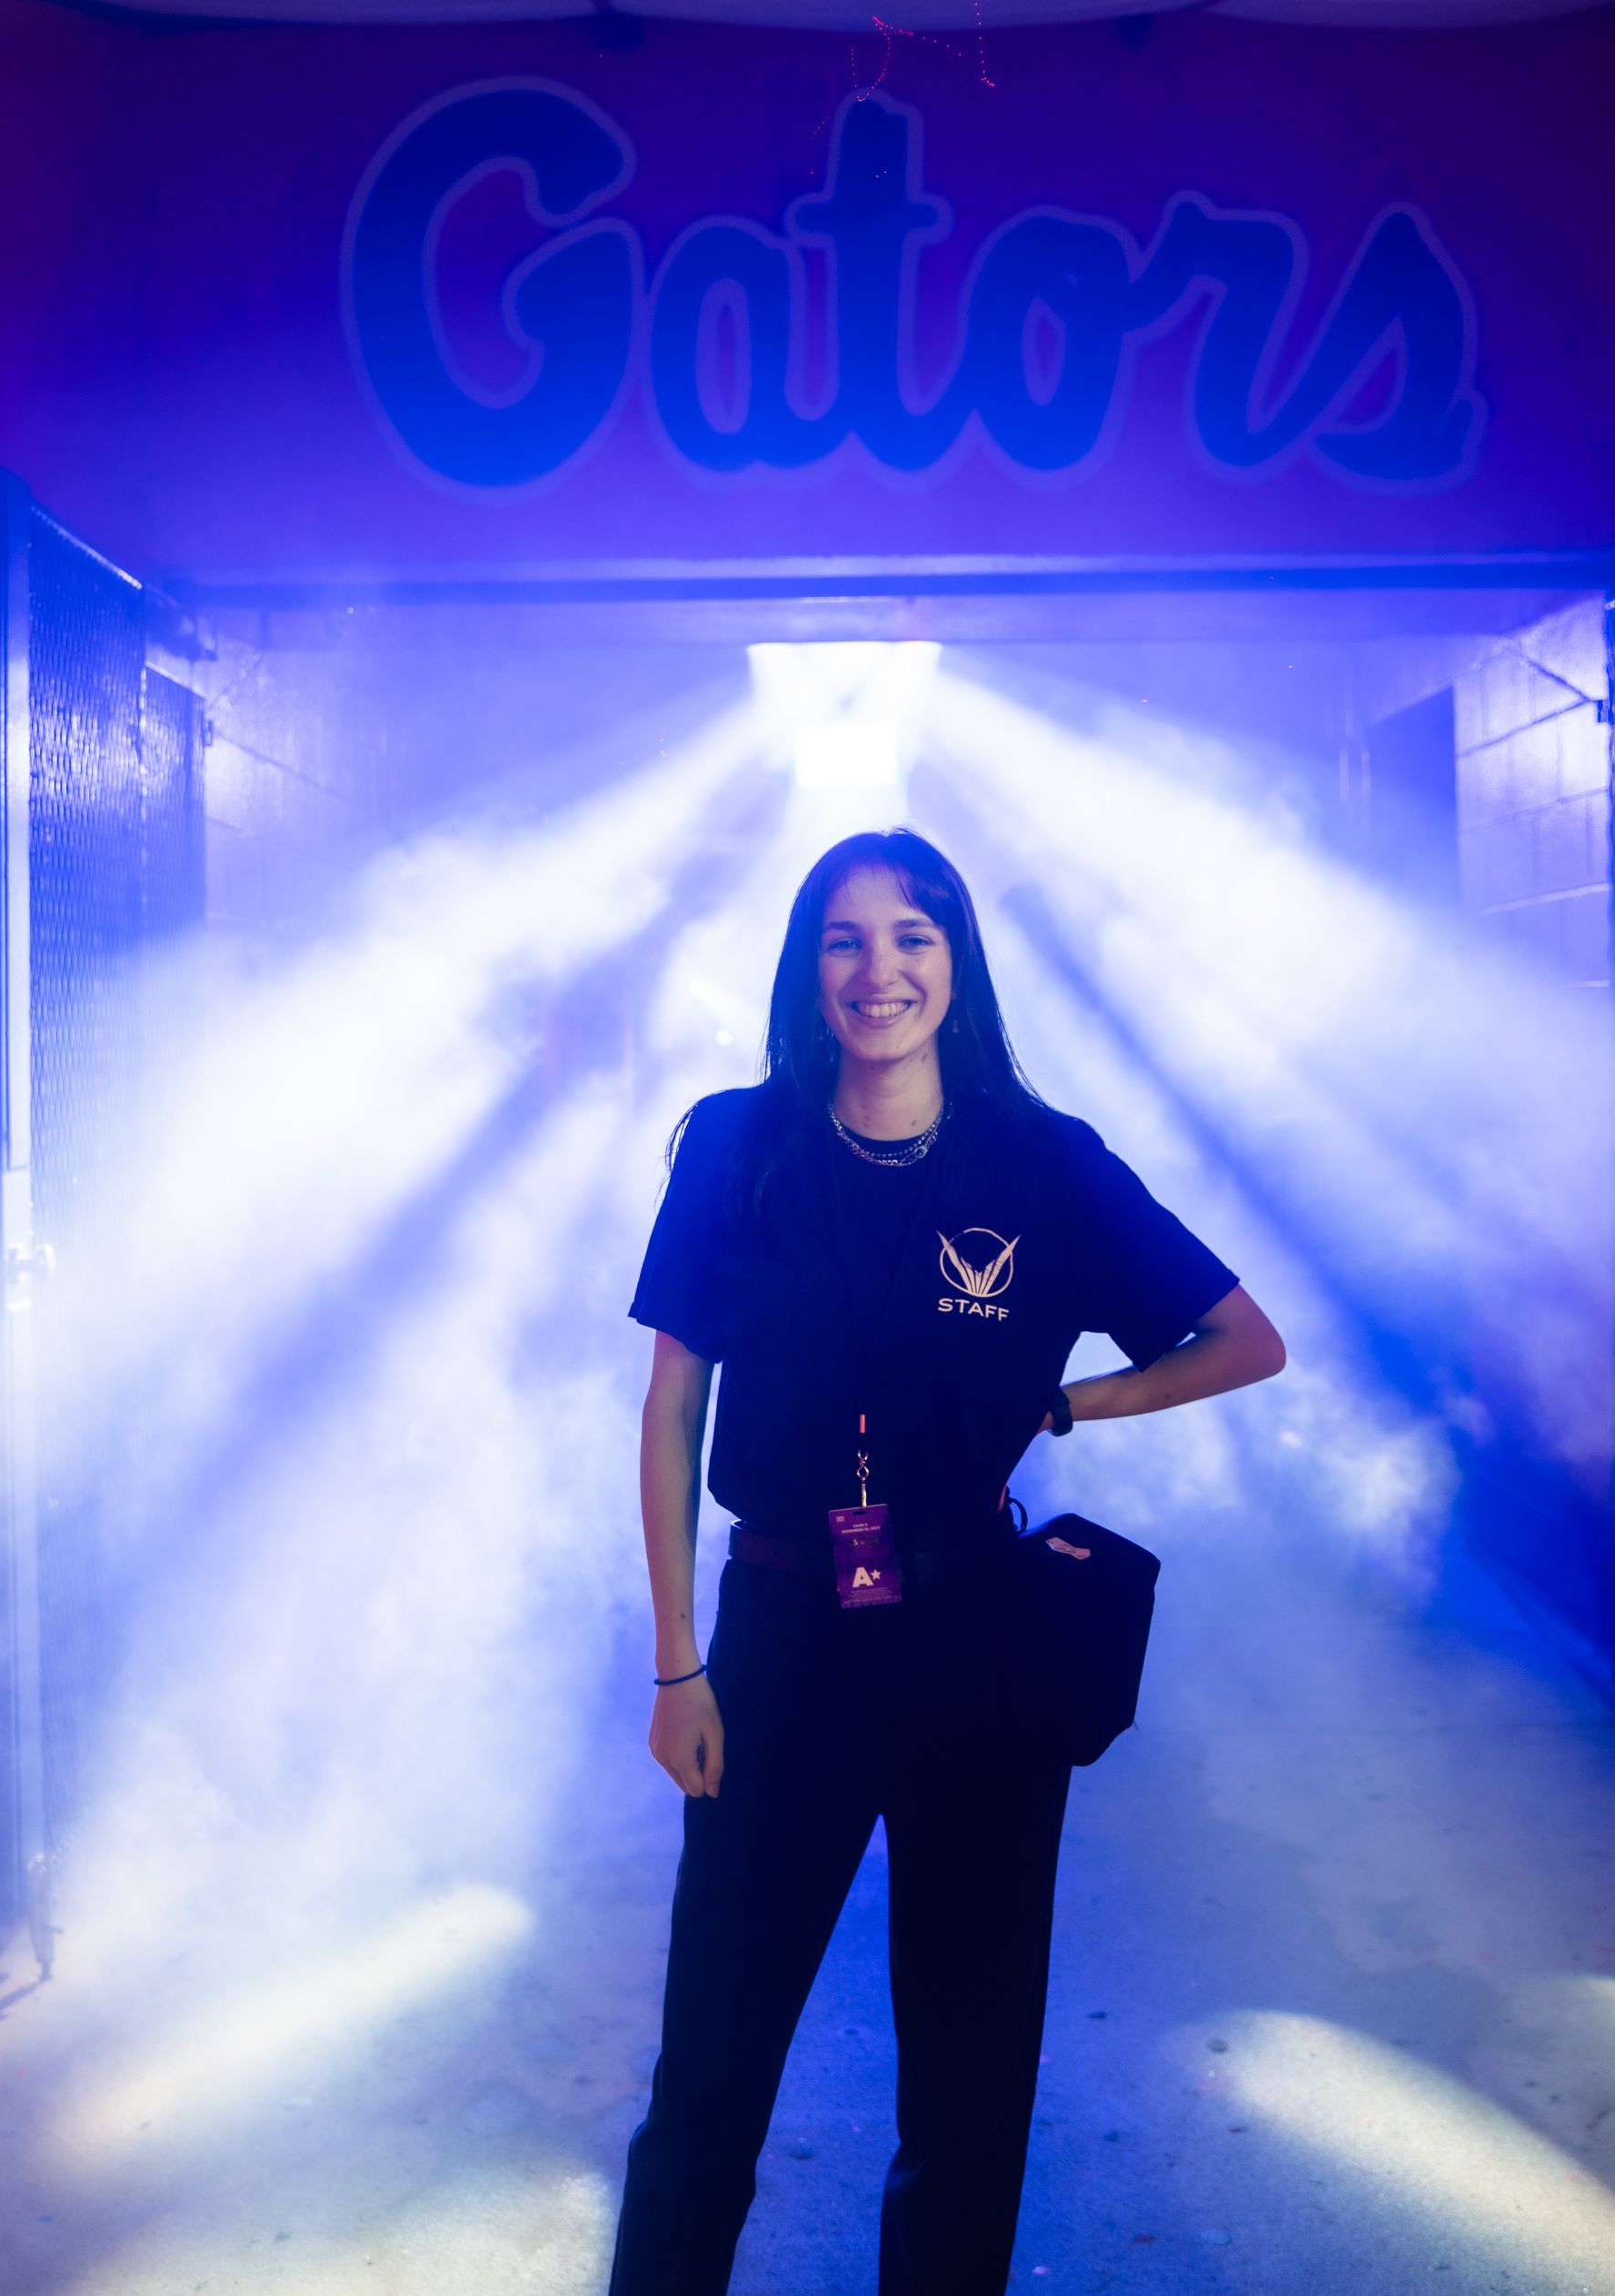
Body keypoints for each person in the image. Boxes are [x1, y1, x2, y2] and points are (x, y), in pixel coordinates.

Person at [608, 829, 1284, 2296]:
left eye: (912, 937)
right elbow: (675, 1407)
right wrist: (679, 1667)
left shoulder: (1042, 1164)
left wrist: (1070, 1400)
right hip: (781, 1636)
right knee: (711, 2071)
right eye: (845, 940)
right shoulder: (736, 1142)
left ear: (957, 964)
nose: (879, 971)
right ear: (809, 970)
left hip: (978, 1643)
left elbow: (1244, 1337)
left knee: (968, 2091)